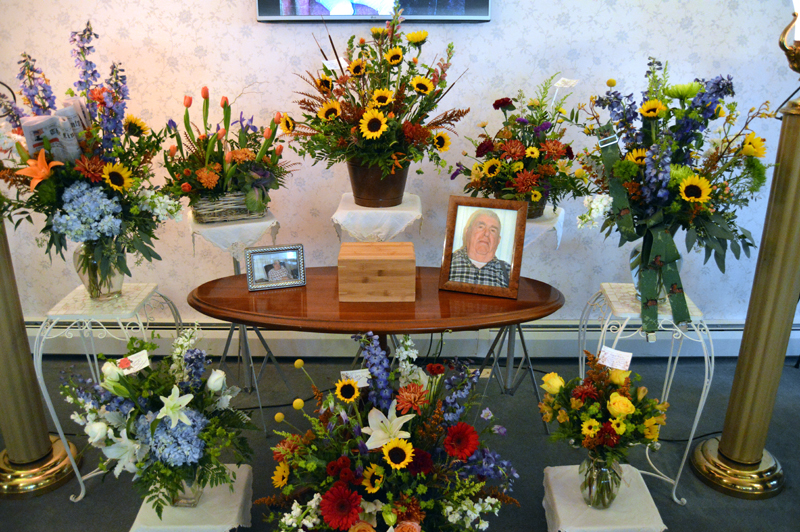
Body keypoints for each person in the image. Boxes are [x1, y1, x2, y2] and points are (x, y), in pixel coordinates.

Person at [448, 209, 510, 288]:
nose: (486, 233)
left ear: (498, 240)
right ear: (467, 232)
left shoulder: (508, 273)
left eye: (493, 230)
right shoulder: (448, 264)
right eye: (480, 227)